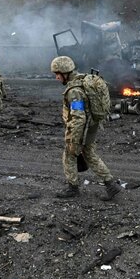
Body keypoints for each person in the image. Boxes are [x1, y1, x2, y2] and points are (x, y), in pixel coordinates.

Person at [50, 56, 122, 201]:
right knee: (90, 155)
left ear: (65, 73)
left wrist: (74, 140)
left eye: (58, 74)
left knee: (69, 156)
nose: (57, 78)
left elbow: (78, 117)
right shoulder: (83, 80)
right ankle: (111, 185)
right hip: (91, 126)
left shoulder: (74, 92)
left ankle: (73, 188)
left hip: (81, 128)